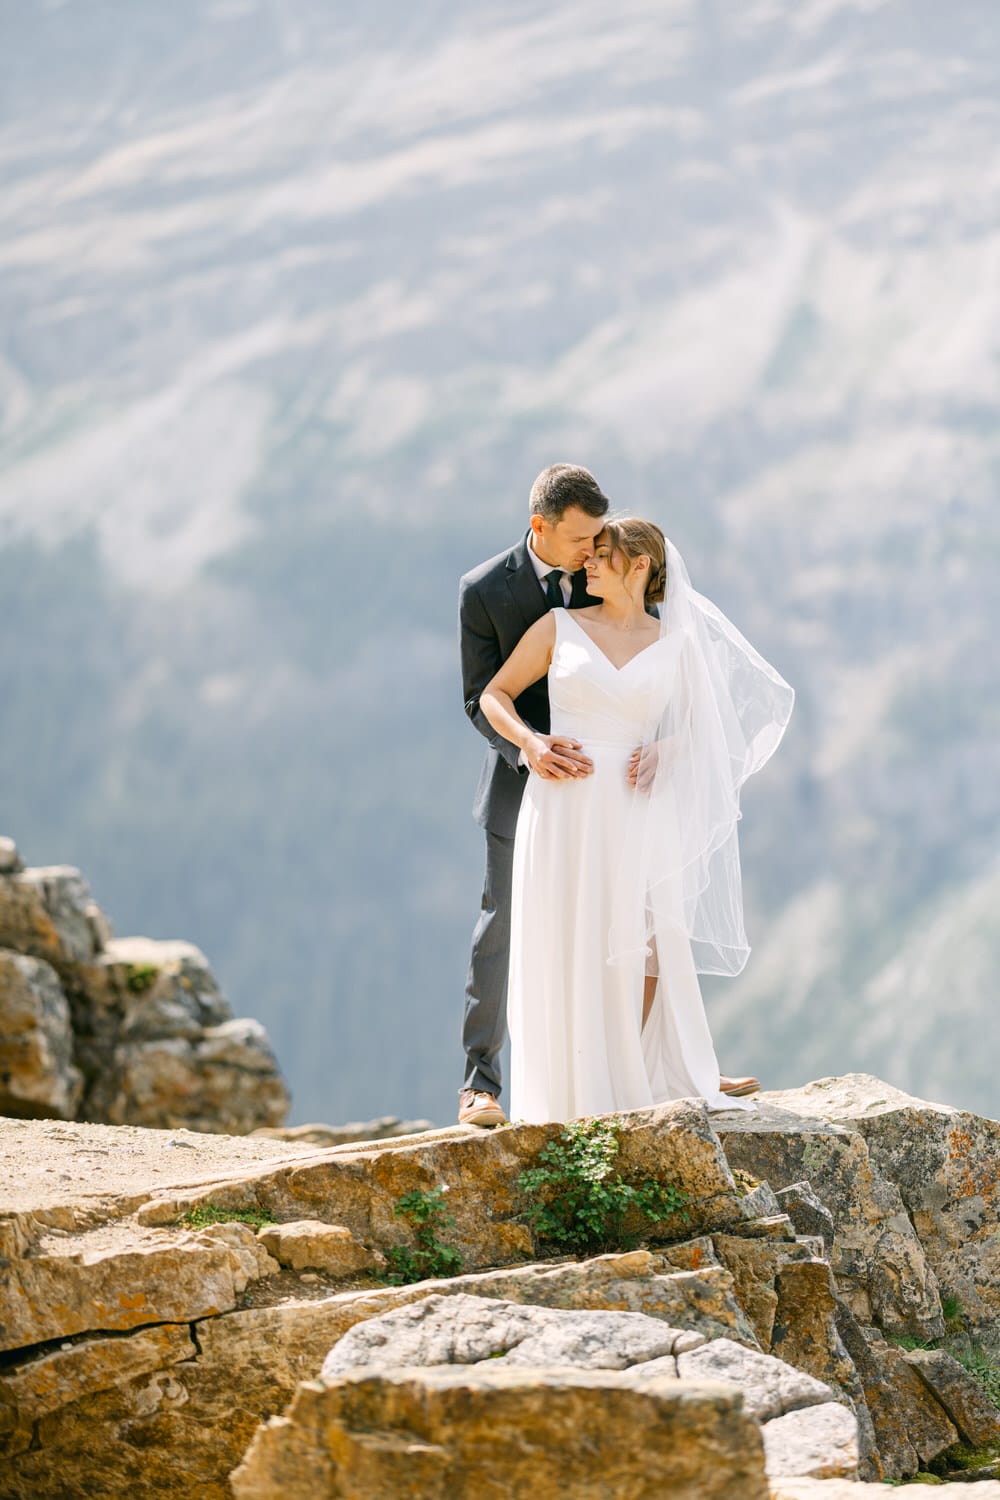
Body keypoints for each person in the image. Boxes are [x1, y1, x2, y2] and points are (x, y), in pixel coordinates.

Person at [479, 517, 794, 1123]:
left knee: (642, 941)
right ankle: (570, 1087)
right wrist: (532, 744)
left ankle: (632, 1072)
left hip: (635, 808)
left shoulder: (676, 643)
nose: (586, 565)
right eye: (588, 555)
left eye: (600, 555)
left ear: (640, 564)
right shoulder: (558, 627)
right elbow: (496, 694)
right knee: (567, 936)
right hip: (564, 805)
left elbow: (709, 730)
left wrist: (665, 750)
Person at [457, 464, 609, 1126]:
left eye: (597, 537)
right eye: (580, 539)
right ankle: (480, 1085)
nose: (591, 552)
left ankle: (663, 1063)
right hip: (520, 785)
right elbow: (478, 697)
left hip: (606, 787)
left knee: (630, 917)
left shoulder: (614, 571)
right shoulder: (485, 590)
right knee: (502, 926)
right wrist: (529, 749)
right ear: (538, 527)